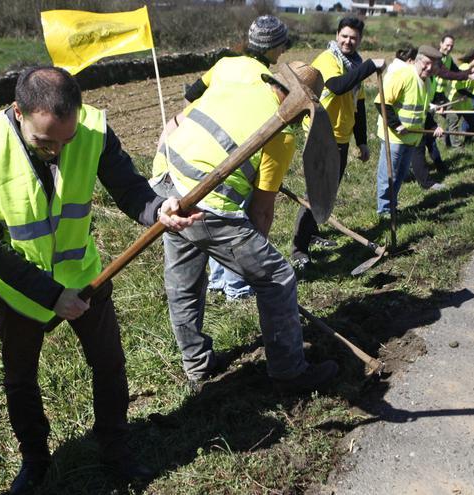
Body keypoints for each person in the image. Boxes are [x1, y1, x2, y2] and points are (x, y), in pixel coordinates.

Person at [0, 66, 197, 494]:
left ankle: (116, 451)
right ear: (18, 112)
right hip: (20, 290)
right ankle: (35, 460)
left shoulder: (91, 130)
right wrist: (51, 296)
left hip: (86, 276)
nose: (57, 151)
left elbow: (129, 188)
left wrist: (158, 209)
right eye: (45, 142)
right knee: (20, 378)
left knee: (109, 365)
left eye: (65, 141)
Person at [152, 60, 339, 394]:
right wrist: (256, 265)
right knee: (278, 278)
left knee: (183, 282)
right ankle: (290, 372)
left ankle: (197, 364)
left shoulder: (238, 71)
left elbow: (195, 103)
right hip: (206, 207)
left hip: (166, 179)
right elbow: (262, 211)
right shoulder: (281, 135)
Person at [177, 14, 292, 299]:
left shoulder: (226, 64)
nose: (283, 51)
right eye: (281, 45)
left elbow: (192, 96)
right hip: (239, 157)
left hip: (202, 151)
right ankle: (237, 286)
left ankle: (217, 280)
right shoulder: (265, 81)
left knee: (210, 216)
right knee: (233, 217)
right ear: (273, 47)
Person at [289, 16, 385, 270]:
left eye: (353, 37)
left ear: (359, 39)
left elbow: (359, 105)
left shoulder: (355, 63)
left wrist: (362, 142)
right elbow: (338, 86)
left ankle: (311, 234)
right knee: (316, 193)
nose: (348, 41)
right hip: (320, 134)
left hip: (341, 137)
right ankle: (298, 248)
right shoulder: (327, 60)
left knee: (328, 193)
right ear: (337, 35)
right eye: (344, 36)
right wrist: (370, 67)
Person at [375, 45, 444, 216]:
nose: (429, 68)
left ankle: (392, 206)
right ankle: (384, 211)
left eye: (433, 65)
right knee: (388, 175)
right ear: (417, 60)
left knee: (400, 176)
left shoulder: (427, 83)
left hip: (412, 137)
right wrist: (396, 125)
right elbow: (381, 101)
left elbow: (424, 110)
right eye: (426, 63)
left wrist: (433, 126)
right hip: (394, 136)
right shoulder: (403, 76)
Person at [410, 34, 474, 190]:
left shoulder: (447, 59)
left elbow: (455, 72)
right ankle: (427, 171)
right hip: (430, 100)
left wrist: (469, 72)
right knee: (424, 139)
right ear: (440, 44)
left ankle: (436, 165)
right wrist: (467, 74)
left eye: (451, 45)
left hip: (435, 98)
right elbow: (447, 74)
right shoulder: (435, 60)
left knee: (429, 137)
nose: (449, 48)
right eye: (447, 45)